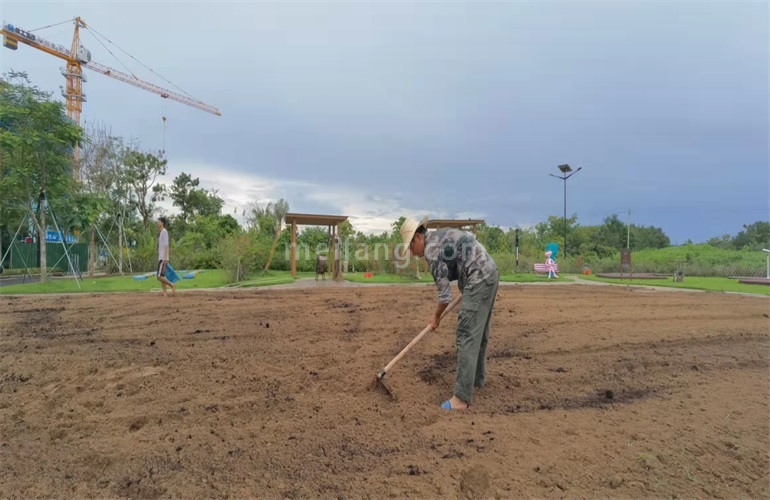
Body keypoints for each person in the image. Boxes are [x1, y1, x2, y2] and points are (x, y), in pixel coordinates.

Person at [400, 216, 499, 410]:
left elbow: (445, 296)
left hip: (477, 278)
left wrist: (436, 317)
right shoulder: (440, 235)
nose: (412, 253)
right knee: (478, 334)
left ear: (418, 238)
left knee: (466, 334)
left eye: (411, 248)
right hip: (490, 273)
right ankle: (476, 381)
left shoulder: (431, 250)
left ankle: (461, 399)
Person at [156, 216, 176, 297]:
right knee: (162, 276)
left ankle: (172, 285)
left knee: (159, 276)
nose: (158, 223)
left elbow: (166, 245)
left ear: (162, 223)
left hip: (163, 257)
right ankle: (165, 294)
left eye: (159, 222)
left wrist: (166, 257)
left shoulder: (164, 231)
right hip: (161, 257)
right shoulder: (161, 232)